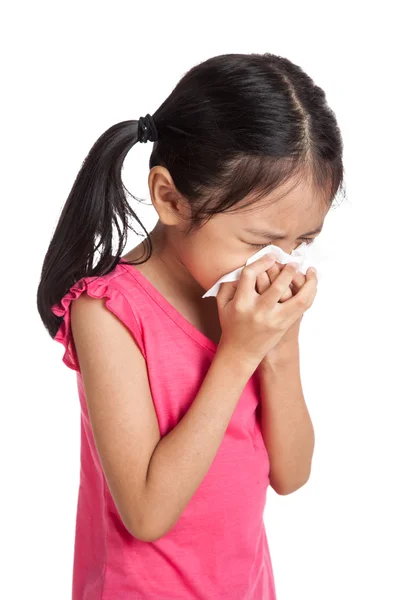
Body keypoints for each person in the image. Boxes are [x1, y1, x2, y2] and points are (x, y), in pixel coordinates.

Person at [37, 52, 345, 600]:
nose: (280, 263)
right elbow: (147, 514)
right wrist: (238, 355)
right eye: (259, 241)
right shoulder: (108, 312)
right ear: (171, 199)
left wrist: (280, 349)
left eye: (304, 242)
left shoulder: (240, 303)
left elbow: (292, 475)